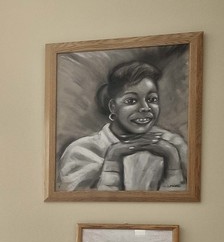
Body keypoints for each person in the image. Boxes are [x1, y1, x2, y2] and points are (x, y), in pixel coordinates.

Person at [57, 60, 187, 192]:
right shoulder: (82, 151)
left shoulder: (174, 145)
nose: (145, 108)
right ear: (113, 107)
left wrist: (172, 159)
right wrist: (113, 156)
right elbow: (88, 206)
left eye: (152, 99)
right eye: (131, 100)